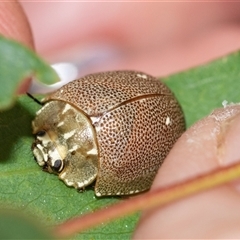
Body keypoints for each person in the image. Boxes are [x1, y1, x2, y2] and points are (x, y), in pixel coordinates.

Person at [2, 1, 240, 238]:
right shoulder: (67, 107)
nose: (43, 150)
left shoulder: (103, 162)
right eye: (44, 134)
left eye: (43, 135)